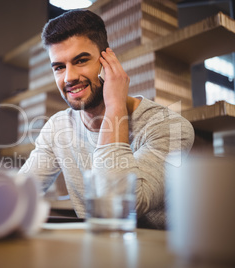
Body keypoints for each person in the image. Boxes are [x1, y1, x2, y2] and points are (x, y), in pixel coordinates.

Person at [19, 9, 194, 229]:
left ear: (107, 61)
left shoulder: (169, 127)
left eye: (81, 60)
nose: (69, 77)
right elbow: (21, 192)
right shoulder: (57, 128)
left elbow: (119, 204)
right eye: (59, 67)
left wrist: (115, 106)